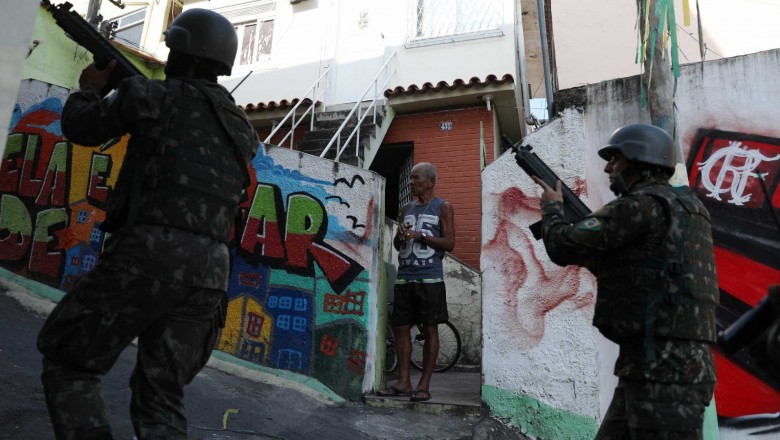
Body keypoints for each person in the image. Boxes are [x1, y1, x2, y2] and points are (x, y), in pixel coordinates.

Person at [37, 9, 258, 440]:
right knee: (161, 394)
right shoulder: (240, 126)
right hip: (211, 273)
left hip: (149, 253)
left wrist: (90, 88)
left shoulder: (149, 96)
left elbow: (80, 127)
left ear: (187, 57)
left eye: (174, 49)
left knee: (69, 362)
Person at [531, 124, 719, 439]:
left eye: (615, 159)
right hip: (655, 368)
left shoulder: (639, 205)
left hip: (663, 376)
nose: (608, 167)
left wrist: (552, 207)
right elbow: (650, 272)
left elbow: (562, 246)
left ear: (637, 159)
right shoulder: (690, 209)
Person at [379, 162, 455, 402]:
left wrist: (420, 235)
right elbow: (397, 245)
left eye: (416, 178)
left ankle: (423, 384)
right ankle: (403, 383)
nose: (411, 183)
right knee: (401, 328)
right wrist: (401, 238)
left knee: (430, 328)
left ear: (430, 182)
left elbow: (449, 243)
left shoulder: (443, 207)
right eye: (410, 178)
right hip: (405, 278)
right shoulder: (405, 209)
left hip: (430, 278)